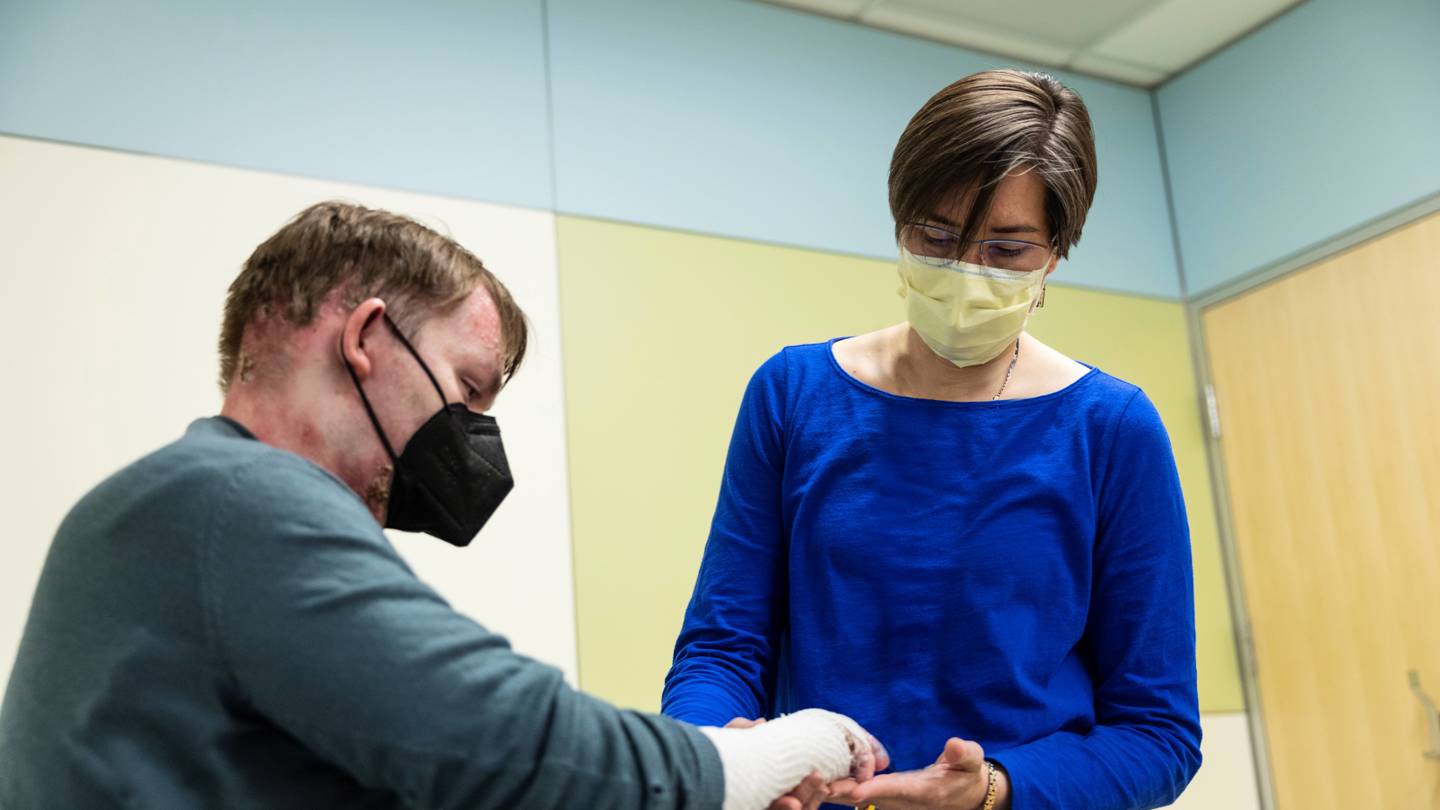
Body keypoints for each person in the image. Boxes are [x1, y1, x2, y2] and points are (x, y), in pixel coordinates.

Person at [0, 202, 888, 810]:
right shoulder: (239, 501)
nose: (474, 441)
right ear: (363, 340)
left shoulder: (160, 510)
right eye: (467, 391)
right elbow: (511, 746)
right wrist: (768, 754)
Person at [662, 70, 1203, 810]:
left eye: (1006, 250)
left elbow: (1157, 732)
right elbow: (722, 649)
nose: (965, 275)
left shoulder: (1111, 431)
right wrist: (725, 756)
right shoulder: (793, 395)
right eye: (937, 238)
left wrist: (995, 790)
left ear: (1056, 254)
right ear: (899, 225)